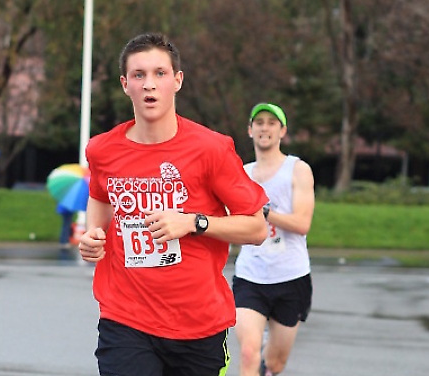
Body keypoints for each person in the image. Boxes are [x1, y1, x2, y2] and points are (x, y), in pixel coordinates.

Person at [78, 32, 269, 376]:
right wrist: (93, 234)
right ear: (125, 84)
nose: (149, 84)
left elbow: (257, 228)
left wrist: (194, 222)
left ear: (177, 80)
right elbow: (100, 197)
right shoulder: (102, 150)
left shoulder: (211, 149)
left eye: (160, 73)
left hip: (198, 325)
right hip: (125, 317)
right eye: (139, 75)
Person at [233, 103, 315, 376]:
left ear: (283, 131)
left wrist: (263, 212)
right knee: (248, 353)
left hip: (290, 277)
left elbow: (302, 224)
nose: (264, 128)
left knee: (275, 363)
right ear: (250, 130)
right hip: (250, 276)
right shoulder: (241, 174)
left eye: (271, 123)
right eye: (259, 123)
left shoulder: (297, 169)